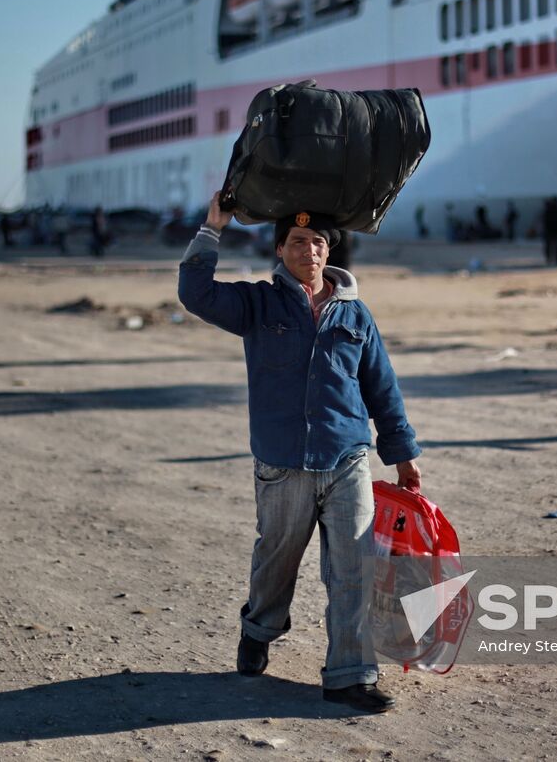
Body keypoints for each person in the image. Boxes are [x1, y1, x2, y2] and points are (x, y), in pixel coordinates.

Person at [178, 194, 422, 714]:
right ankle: (259, 629)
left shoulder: (355, 313)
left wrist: (402, 452)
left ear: (327, 250)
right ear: (281, 249)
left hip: (346, 459)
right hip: (282, 463)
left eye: (316, 242)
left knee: (353, 567)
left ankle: (349, 676)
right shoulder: (258, 304)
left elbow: (381, 386)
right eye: (295, 241)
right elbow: (195, 293)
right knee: (276, 562)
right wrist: (212, 228)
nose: (307, 250)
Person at [543, 196, 557, 264]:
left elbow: (545, 220)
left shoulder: (549, 209)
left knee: (550, 245)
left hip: (550, 230)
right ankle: (556, 257)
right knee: (555, 245)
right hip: (555, 230)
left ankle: (550, 258)